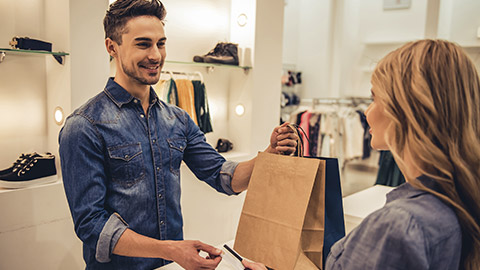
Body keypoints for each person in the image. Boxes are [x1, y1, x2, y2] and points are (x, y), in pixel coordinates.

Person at [58, 0, 298, 269]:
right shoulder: (84, 126)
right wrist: (172, 250)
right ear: (111, 47)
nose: (156, 55)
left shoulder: (177, 119)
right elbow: (92, 226)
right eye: (143, 44)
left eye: (160, 43)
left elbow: (224, 177)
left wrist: (269, 155)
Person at [242, 39, 480, 270]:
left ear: (407, 110)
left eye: (374, 98)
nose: (367, 111)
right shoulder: (455, 201)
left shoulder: (398, 227)